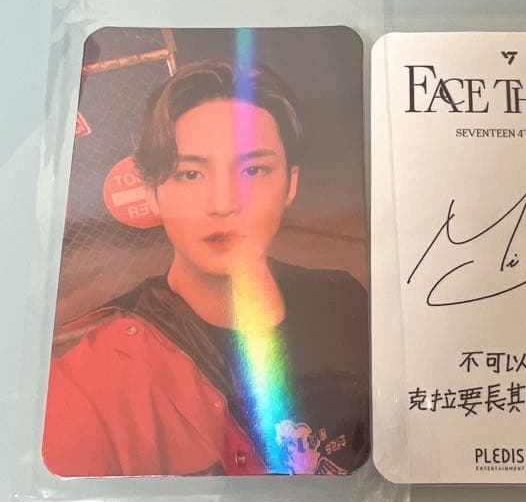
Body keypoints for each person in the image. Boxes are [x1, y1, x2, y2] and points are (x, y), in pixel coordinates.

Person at [42, 60, 370, 477]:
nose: (223, 203)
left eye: (253, 170)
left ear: (290, 184)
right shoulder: (92, 381)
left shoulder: (344, 300)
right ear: (152, 193)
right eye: (191, 173)